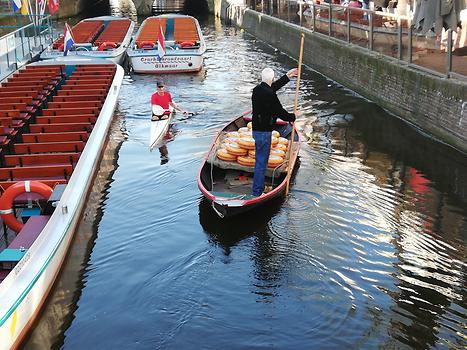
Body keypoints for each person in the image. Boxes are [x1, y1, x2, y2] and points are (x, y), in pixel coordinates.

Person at [251, 67, 299, 197]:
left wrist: (287, 77)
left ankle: (258, 187)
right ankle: (256, 193)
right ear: (272, 79)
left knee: (260, 161)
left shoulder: (256, 90)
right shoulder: (270, 95)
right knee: (261, 163)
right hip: (264, 133)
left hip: (256, 131)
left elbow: (271, 88)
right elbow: (280, 112)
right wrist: (292, 117)